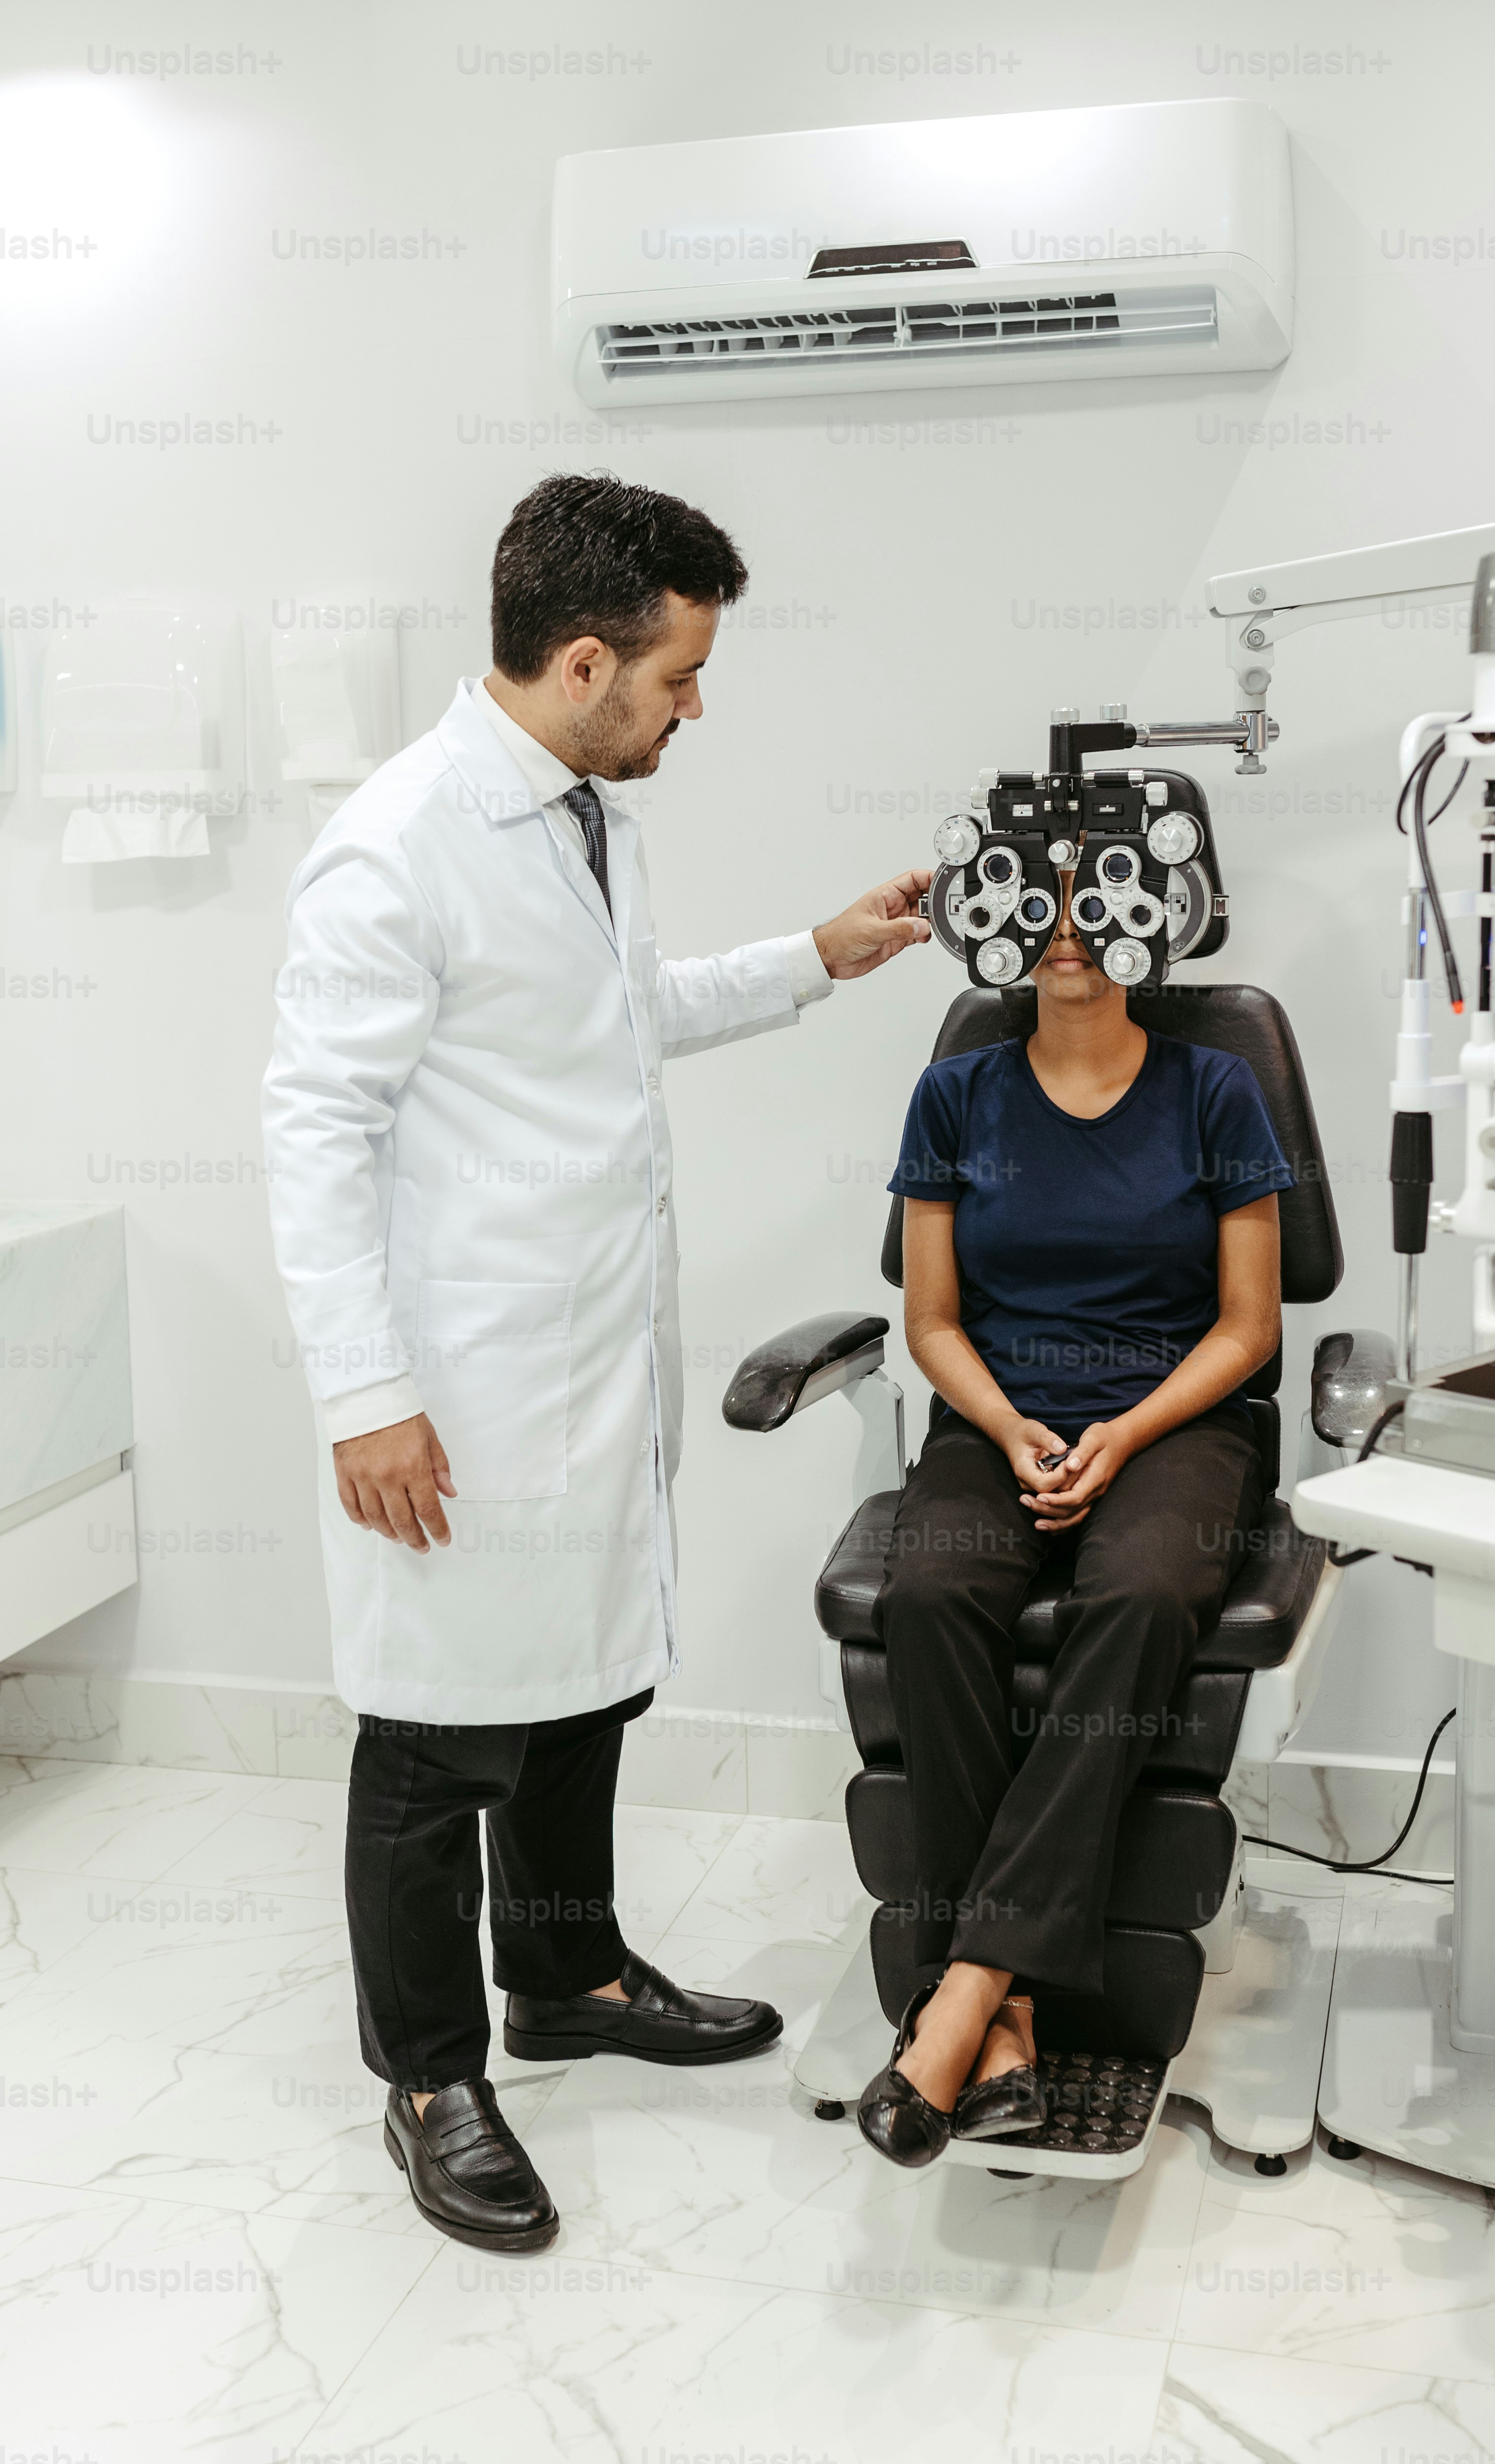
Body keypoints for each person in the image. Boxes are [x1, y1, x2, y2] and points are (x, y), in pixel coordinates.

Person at [263, 472, 931, 2250]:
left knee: (579, 1693)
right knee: (428, 1743)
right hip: (459, 1389)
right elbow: (314, 1129)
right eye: (679, 678)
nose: (692, 710)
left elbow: (611, 1018)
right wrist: (364, 1395)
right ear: (581, 662)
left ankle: (566, 1982)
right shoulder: (397, 845)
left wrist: (818, 957)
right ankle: (428, 2075)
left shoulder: (579, 809)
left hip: (582, 1354)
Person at [855, 877, 1293, 2166]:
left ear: (1151, 913)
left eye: (1097, 897)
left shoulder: (1215, 1091)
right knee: (928, 1598)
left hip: (1176, 1423)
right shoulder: (957, 1096)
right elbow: (932, 1321)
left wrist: (1124, 1432)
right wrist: (1008, 1429)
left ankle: (964, 1994)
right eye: (1034, 901)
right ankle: (1011, 2016)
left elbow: (1249, 1326)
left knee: (1142, 1596)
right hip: (1000, 1418)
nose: (1065, 927)